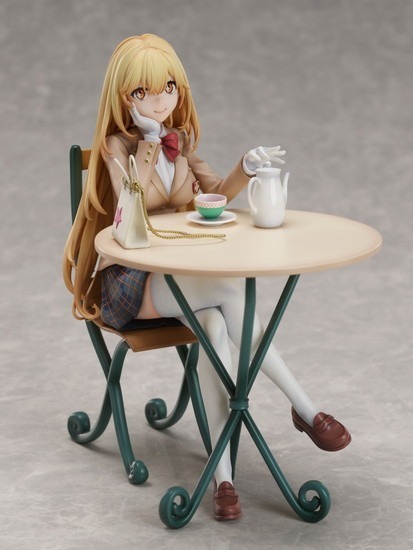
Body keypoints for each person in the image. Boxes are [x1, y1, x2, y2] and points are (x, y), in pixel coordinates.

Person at [63, 34, 351, 522]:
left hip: (181, 279)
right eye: (144, 92)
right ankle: (305, 407)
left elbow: (216, 191)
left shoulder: (181, 142)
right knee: (229, 289)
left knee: (217, 330)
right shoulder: (117, 147)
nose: (161, 101)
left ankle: (223, 480)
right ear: (124, 98)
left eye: (169, 88)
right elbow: (132, 203)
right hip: (132, 283)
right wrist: (149, 141)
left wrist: (246, 166)